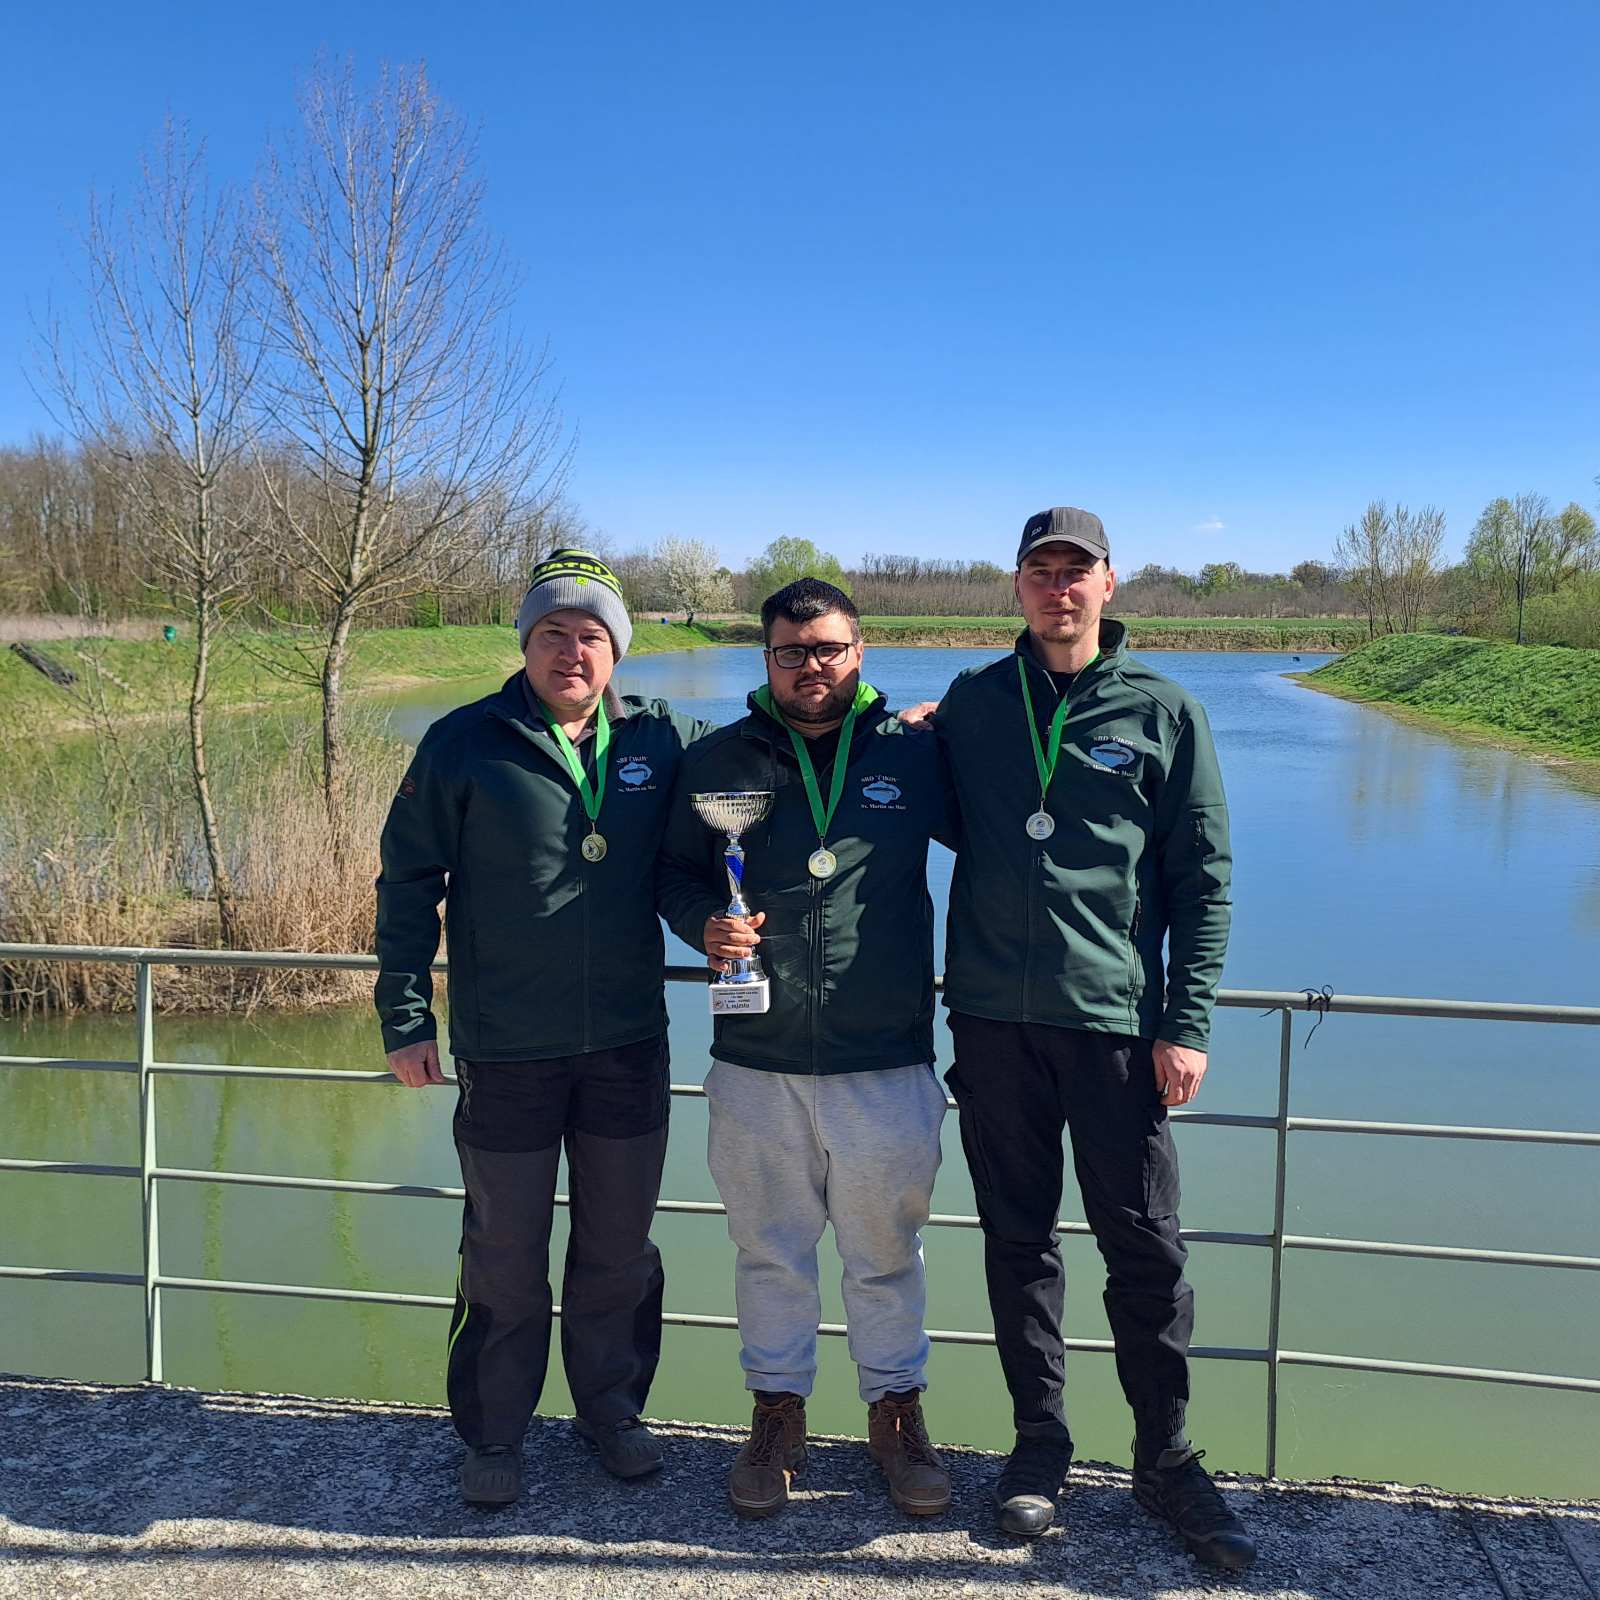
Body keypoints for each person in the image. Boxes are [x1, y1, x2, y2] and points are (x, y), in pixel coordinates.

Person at [934, 508, 1256, 1569]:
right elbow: (876, 798)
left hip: (1117, 1033)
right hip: (989, 1027)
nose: (1058, 588)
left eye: (1077, 571)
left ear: (1109, 585)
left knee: (1146, 1254)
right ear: (1015, 586)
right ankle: (1038, 1448)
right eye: (1040, 570)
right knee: (1017, 1244)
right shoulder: (975, 706)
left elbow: (1201, 883)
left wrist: (1187, 1020)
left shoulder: (1165, 711)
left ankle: (1163, 1458)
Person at [375, 549, 710, 1508]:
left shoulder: (663, 739)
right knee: (504, 1253)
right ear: (525, 644)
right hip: (506, 1047)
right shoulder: (462, 742)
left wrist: (895, 722)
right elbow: (406, 886)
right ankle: (493, 1432)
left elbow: (764, 757)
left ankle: (610, 1410)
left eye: (592, 636)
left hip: (627, 1045)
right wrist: (405, 1015)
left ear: (618, 653)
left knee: (619, 1248)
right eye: (553, 633)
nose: (573, 651)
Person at [657, 578, 956, 1521]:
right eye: (791, 651)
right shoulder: (717, 759)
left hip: (887, 1055)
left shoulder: (916, 755)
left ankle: (896, 1417)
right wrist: (701, 920)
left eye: (828, 648)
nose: (811, 667)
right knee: (768, 1251)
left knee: (885, 1253)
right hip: (757, 1058)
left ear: (860, 650)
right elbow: (670, 870)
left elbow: (1010, 833)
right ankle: (777, 1415)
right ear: (766, 659)